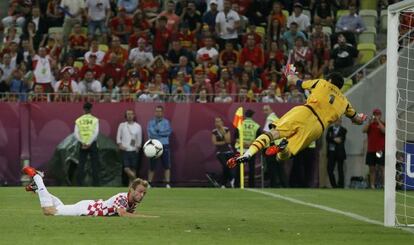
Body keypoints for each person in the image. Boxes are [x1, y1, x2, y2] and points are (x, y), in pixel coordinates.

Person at [227, 72, 367, 169]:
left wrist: (290, 74)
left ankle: (248, 154)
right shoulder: (345, 102)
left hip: (305, 111)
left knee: (273, 133)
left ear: (329, 80)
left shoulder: (322, 82)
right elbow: (357, 120)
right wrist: (361, 118)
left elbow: (297, 82)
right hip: (317, 128)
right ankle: (282, 148)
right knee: (283, 156)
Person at [22, 166, 156, 217]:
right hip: (86, 209)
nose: (141, 195)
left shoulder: (132, 202)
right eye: (139, 191)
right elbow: (123, 214)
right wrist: (149, 217)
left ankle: (38, 188)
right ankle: (37, 177)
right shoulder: (122, 198)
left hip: (89, 206)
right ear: (131, 190)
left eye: (144, 193)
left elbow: (128, 213)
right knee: (49, 211)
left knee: (59, 207)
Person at [74, 102, 100, 186]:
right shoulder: (95, 120)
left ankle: (79, 184)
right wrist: (89, 143)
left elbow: (76, 133)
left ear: (83, 110)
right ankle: (96, 184)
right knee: (94, 164)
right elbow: (96, 132)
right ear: (91, 109)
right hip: (92, 144)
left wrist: (83, 143)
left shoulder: (78, 120)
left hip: (82, 144)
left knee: (81, 164)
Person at [234, 109, 261, 188]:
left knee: (239, 168)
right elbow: (259, 139)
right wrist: (250, 143)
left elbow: (236, 137)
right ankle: (251, 185)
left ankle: (236, 185)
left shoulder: (240, 124)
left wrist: (243, 143)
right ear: (252, 116)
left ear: (245, 115)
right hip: (251, 150)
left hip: (240, 149)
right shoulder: (256, 126)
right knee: (251, 168)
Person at [147, 106, 173, 188]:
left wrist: (158, 133)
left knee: (166, 165)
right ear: (155, 112)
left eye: (160, 111)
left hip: (164, 145)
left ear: (162, 112)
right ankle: (149, 183)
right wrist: (160, 133)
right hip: (154, 145)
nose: (158, 113)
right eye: (156, 111)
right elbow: (151, 134)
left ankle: (167, 183)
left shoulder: (166, 122)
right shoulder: (151, 122)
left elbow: (168, 132)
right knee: (152, 166)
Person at [262, 105, 286, 188]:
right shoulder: (276, 118)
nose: (265, 112)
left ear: (271, 109)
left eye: (266, 110)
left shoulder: (270, 118)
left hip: (273, 145)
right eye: (264, 110)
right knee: (280, 167)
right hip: (280, 145)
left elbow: (266, 132)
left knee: (272, 166)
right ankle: (284, 184)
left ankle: (274, 185)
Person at [117, 109, 143, 184]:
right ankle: (138, 182)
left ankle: (131, 186)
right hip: (125, 150)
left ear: (134, 115)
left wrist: (138, 147)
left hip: (134, 150)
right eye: (128, 114)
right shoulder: (122, 125)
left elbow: (139, 138)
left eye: (131, 114)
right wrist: (120, 145)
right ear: (126, 115)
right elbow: (118, 137)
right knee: (126, 168)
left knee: (133, 169)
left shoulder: (138, 126)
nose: (130, 116)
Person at [363, 108, 385, 189]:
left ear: (380, 115)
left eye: (378, 114)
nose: (376, 116)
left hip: (379, 150)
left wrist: (378, 121)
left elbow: (384, 131)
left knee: (382, 167)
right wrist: (369, 122)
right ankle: (372, 185)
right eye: (375, 114)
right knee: (372, 168)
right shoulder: (370, 125)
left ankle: (384, 185)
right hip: (371, 150)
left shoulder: (382, 123)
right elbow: (364, 130)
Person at [211, 117, 235, 188]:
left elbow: (228, 141)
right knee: (225, 165)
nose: (217, 123)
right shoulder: (214, 131)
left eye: (218, 121)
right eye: (216, 122)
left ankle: (224, 183)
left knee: (230, 167)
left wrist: (222, 131)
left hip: (229, 151)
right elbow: (214, 142)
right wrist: (223, 142)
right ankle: (230, 180)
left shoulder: (226, 129)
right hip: (220, 152)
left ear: (222, 122)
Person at [326, 118, 347, 188]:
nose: (337, 122)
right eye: (336, 121)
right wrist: (334, 139)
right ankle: (334, 185)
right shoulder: (330, 129)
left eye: (339, 121)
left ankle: (341, 185)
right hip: (331, 152)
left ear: (341, 122)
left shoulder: (343, 130)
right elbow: (327, 139)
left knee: (340, 169)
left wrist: (332, 139)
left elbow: (341, 140)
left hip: (339, 152)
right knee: (329, 169)